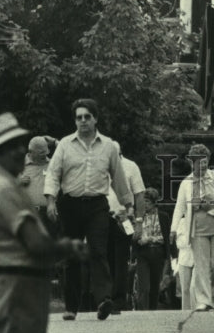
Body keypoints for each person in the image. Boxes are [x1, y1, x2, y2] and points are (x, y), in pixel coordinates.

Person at [0, 112, 88, 333]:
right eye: (17, 146)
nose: (24, 152)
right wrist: (70, 248)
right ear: (2, 150)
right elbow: (35, 243)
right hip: (16, 293)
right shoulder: (3, 188)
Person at [43, 98, 132, 321]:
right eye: (79, 117)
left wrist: (127, 204)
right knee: (72, 255)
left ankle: (104, 300)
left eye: (87, 117)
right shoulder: (64, 144)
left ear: (95, 119)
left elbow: (118, 177)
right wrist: (51, 201)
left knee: (98, 251)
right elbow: (53, 174)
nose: (83, 121)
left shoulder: (109, 146)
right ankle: (71, 307)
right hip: (70, 204)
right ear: (75, 121)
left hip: (97, 206)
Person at [170, 143, 214, 311]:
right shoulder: (186, 183)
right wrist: (173, 229)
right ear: (192, 162)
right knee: (201, 265)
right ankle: (204, 301)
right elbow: (179, 207)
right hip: (198, 229)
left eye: (206, 160)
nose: (203, 164)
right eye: (199, 161)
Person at [107, 140, 145, 311]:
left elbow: (140, 195)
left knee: (120, 261)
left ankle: (118, 300)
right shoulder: (100, 166)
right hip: (101, 218)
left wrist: (139, 222)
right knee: (103, 259)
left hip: (123, 218)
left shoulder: (130, 167)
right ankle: (104, 298)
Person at [132, 187, 170, 310]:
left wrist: (150, 239)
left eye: (147, 201)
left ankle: (153, 312)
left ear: (154, 202)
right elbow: (133, 235)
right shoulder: (138, 217)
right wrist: (137, 239)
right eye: (143, 201)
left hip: (158, 252)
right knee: (144, 286)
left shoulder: (163, 216)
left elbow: (166, 237)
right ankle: (143, 312)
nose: (144, 204)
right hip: (143, 252)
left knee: (155, 286)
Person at [19, 136, 59, 236]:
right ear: (31, 152)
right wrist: (17, 181)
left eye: (46, 152)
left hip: (49, 215)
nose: (45, 155)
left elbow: (68, 155)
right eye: (41, 153)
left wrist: (55, 142)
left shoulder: (52, 164)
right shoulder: (18, 164)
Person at [174, 215, 195, 310]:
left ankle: (195, 311)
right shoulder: (181, 222)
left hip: (198, 257)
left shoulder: (199, 219)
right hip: (184, 258)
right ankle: (185, 312)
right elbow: (179, 243)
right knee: (185, 289)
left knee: (193, 288)